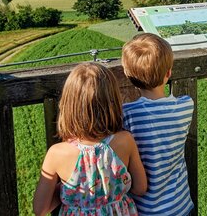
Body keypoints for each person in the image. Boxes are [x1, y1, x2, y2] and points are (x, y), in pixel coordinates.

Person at [33, 62, 147, 216]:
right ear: (112, 102)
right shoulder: (125, 141)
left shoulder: (57, 154)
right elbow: (140, 188)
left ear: (68, 106)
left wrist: (69, 190)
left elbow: (40, 209)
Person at [121, 33, 194, 216]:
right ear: (168, 74)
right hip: (180, 205)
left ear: (128, 76)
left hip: (145, 209)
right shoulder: (186, 105)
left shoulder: (127, 114)